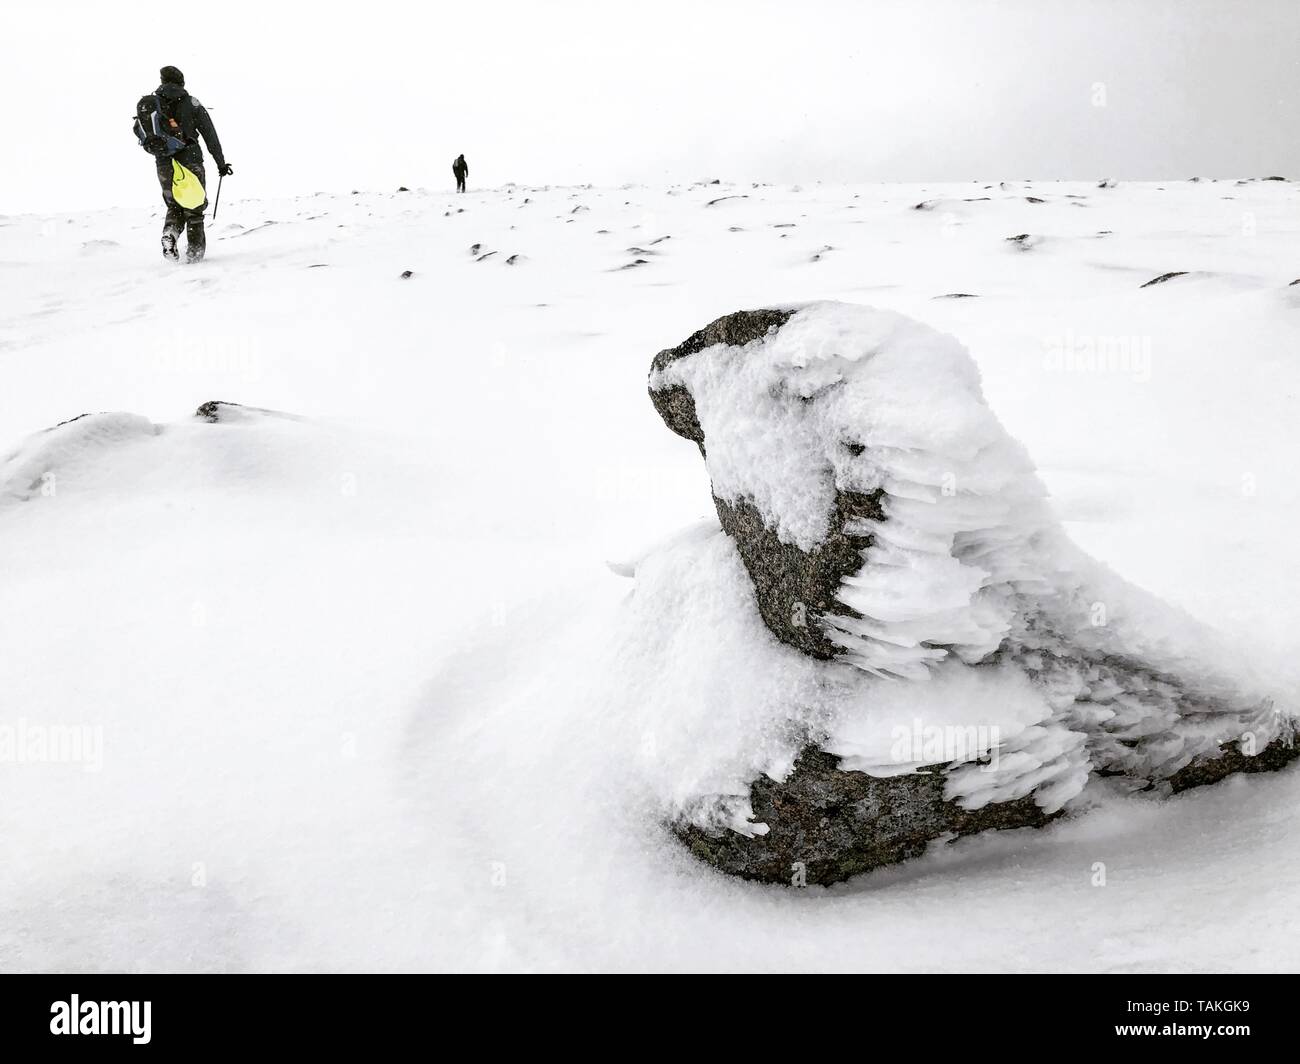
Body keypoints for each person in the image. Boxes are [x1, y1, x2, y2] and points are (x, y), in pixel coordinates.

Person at [138, 66, 232, 263]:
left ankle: (170, 233)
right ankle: (194, 258)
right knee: (194, 209)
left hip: (164, 163)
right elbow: (209, 134)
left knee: (174, 205)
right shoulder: (191, 102)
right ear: (181, 81)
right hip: (190, 161)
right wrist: (221, 163)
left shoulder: (154, 103)